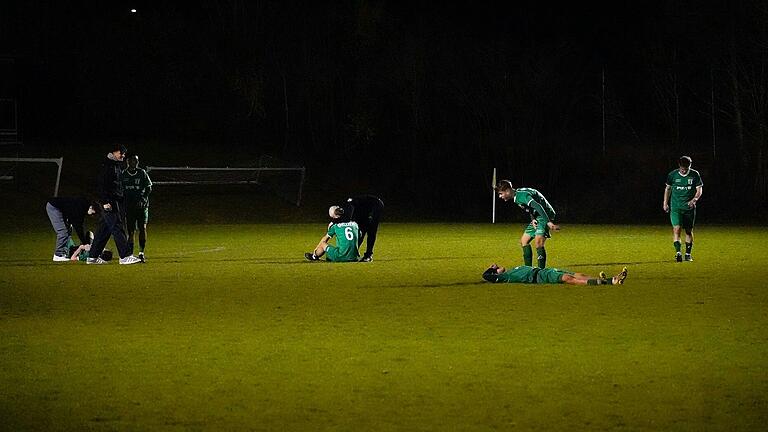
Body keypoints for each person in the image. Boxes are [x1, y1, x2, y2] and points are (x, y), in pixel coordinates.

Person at [88, 143, 141, 265]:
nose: (123, 155)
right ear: (114, 152)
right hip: (109, 202)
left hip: (113, 200)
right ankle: (125, 256)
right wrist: (105, 202)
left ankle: (92, 257)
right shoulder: (107, 166)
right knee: (117, 227)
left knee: (104, 230)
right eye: (121, 153)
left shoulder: (115, 165)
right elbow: (101, 185)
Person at [495, 180, 560, 269]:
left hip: (545, 214)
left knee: (538, 242)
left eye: (501, 193)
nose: (500, 196)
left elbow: (537, 206)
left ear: (507, 191)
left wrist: (548, 222)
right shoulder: (517, 196)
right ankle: (528, 270)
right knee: (524, 241)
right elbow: (530, 208)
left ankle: (541, 272)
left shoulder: (521, 196)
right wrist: (533, 219)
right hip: (537, 216)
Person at [663, 156, 703, 262]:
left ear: (690, 165)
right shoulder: (672, 175)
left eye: (686, 168)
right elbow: (668, 189)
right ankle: (678, 253)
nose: (684, 170)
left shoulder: (695, 174)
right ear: (679, 166)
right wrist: (665, 203)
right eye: (682, 168)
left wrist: (694, 200)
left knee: (689, 231)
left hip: (689, 208)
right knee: (677, 229)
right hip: (676, 207)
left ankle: (688, 254)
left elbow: (699, 190)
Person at [334, 194, 384, 262]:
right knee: (360, 232)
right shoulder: (349, 207)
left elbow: (351, 218)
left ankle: (368, 255)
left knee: (371, 231)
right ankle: (352, 254)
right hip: (365, 209)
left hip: (376, 206)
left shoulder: (351, 207)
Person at [45, 197, 97, 261]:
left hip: (59, 208)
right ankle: (58, 255)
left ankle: (65, 251)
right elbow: (78, 227)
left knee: (69, 229)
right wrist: (85, 243)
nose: (93, 214)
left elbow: (76, 220)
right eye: (93, 212)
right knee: (63, 232)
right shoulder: (80, 208)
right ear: (91, 207)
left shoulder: (84, 206)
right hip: (54, 207)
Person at [122, 154, 153, 262]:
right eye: (133, 161)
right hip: (130, 207)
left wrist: (143, 198)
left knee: (142, 228)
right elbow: (120, 190)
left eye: (137, 161)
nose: (135, 163)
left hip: (142, 207)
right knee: (131, 231)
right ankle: (130, 254)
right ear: (128, 162)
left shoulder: (142, 173)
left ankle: (141, 252)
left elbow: (149, 187)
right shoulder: (123, 174)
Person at [482, 263, 628, 285]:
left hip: (544, 271)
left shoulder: (514, 269)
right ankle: (609, 281)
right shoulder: (504, 277)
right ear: (496, 273)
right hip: (538, 277)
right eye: (496, 268)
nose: (498, 266)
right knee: (567, 279)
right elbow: (485, 276)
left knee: (578, 273)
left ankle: (602, 279)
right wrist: (490, 269)